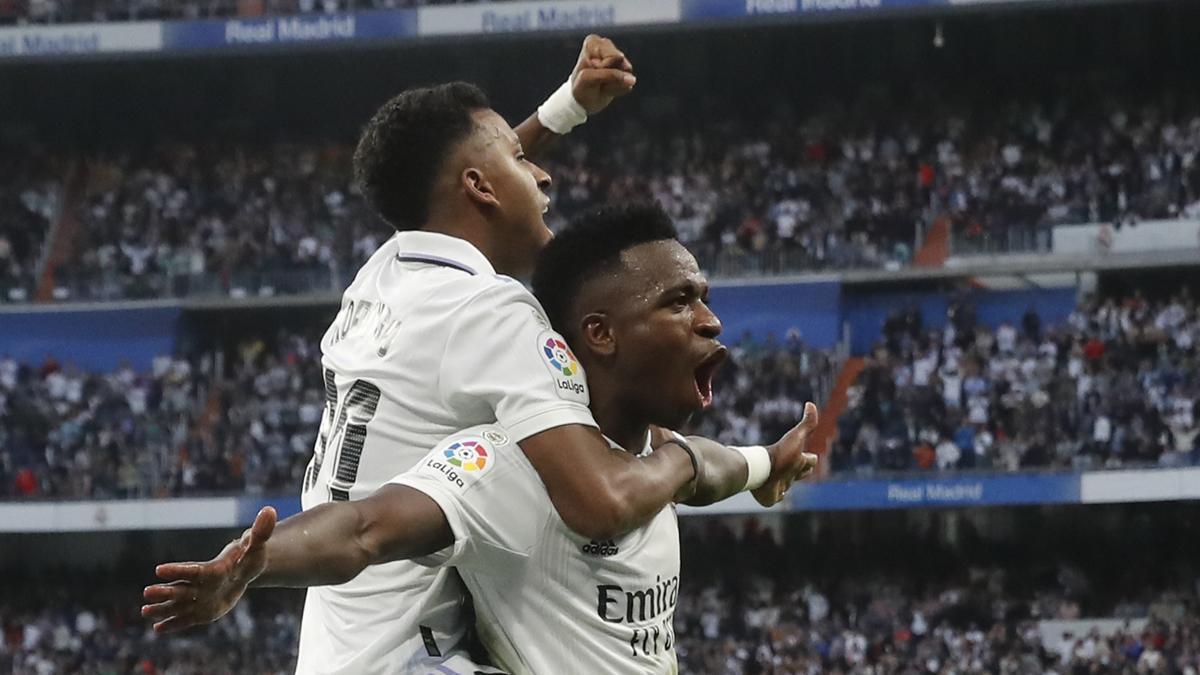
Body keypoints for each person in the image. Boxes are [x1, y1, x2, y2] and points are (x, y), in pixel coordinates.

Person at [145, 37, 820, 675]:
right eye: (522, 161)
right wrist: (686, 456)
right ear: (481, 187)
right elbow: (600, 499)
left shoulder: (385, 272)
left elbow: (456, 177)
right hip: (417, 652)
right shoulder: (496, 315)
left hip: (338, 645)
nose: (544, 171)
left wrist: (568, 106)